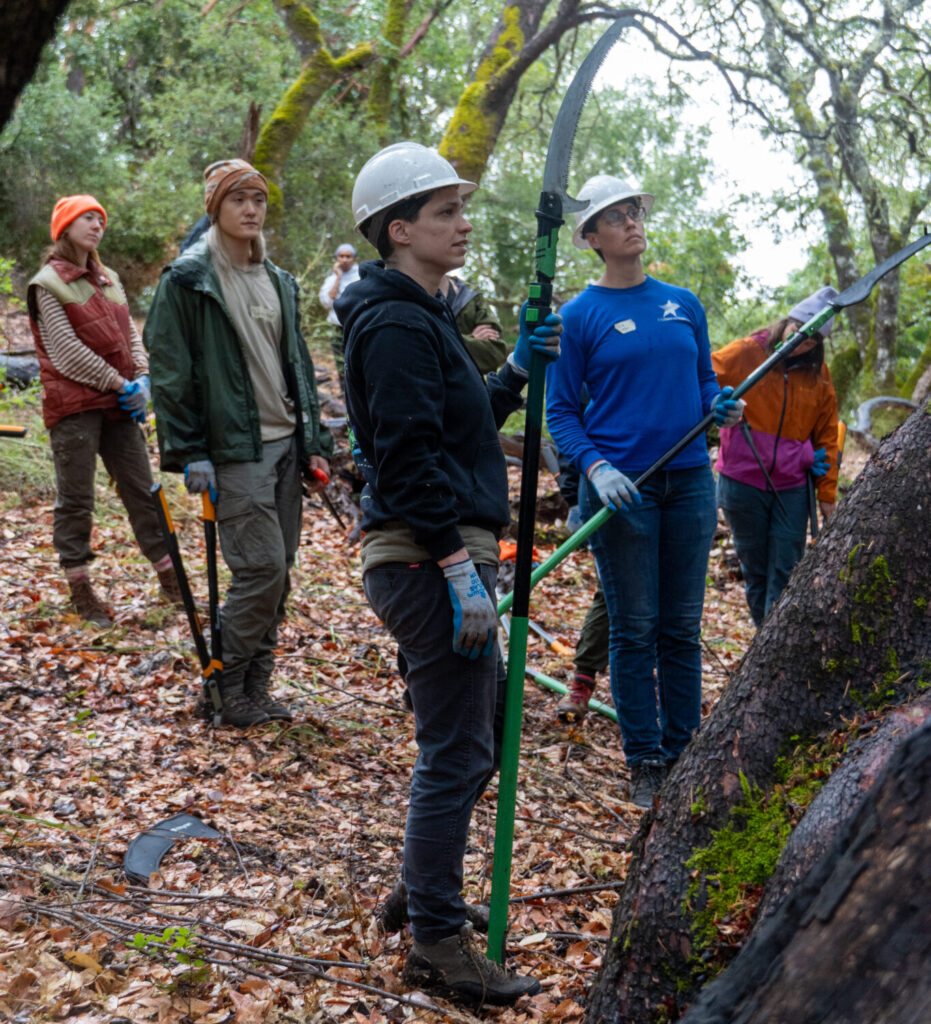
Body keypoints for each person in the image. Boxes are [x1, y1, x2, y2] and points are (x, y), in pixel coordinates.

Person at [337, 141, 560, 1006]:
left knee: (485, 735)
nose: (463, 224)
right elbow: (405, 457)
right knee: (457, 746)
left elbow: (460, 427)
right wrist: (459, 569)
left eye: (459, 209)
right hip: (426, 561)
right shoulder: (392, 322)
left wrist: (508, 375)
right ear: (399, 231)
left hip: (442, 555)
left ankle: (417, 884)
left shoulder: (422, 315)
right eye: (444, 213)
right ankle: (434, 940)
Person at [545, 174, 743, 808]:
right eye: (617, 216)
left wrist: (724, 408)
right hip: (623, 492)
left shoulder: (682, 302)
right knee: (635, 628)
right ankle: (645, 760)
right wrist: (597, 469)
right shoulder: (578, 317)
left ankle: (684, 748)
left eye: (635, 211)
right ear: (593, 239)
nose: (632, 221)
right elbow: (561, 413)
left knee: (681, 628)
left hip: (688, 482)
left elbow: (705, 387)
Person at [145, 159, 332, 728]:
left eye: (259, 200)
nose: (251, 210)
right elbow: (170, 370)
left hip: (284, 445)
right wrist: (191, 448)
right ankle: (223, 687)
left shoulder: (278, 280)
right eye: (238, 200)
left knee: (283, 569)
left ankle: (256, 686)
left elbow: (297, 364)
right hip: (233, 450)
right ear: (215, 209)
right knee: (261, 570)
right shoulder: (188, 279)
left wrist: (315, 439)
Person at [26, 194, 183, 628]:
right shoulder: (47, 284)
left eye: (100, 218)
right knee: (77, 500)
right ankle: (81, 592)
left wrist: (144, 379)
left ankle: (172, 585)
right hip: (75, 407)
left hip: (120, 404)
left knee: (143, 491)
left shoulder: (109, 278)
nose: (97, 225)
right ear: (64, 228)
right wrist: (121, 383)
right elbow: (65, 353)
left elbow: (131, 338)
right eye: (86, 218)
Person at [712, 286, 840, 626]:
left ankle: (771, 650)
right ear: (787, 322)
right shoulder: (745, 354)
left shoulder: (819, 375)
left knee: (787, 570)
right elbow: (703, 381)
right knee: (755, 570)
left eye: (812, 341)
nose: (802, 343)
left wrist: (827, 493)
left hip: (792, 487)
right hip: (742, 482)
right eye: (798, 332)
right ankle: (765, 649)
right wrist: (717, 405)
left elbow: (828, 434)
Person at [439, 274, 507, 374]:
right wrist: (469, 340)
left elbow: (494, 354)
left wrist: (444, 342)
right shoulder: (411, 293)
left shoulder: (470, 293)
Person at [318, 243, 360, 396]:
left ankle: (357, 392)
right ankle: (344, 393)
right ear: (336, 258)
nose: (344, 260)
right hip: (336, 326)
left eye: (348, 256)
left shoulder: (360, 276)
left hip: (355, 324)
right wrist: (338, 278)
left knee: (355, 359)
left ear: (354, 258)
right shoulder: (331, 278)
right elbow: (327, 302)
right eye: (341, 256)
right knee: (340, 360)